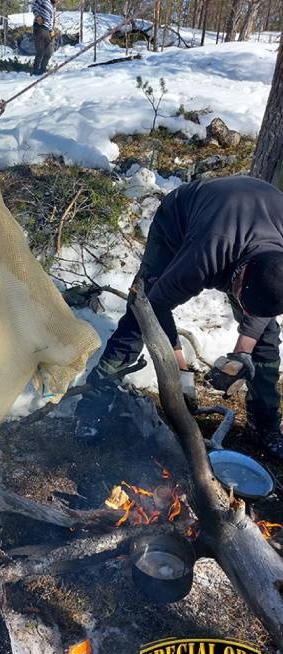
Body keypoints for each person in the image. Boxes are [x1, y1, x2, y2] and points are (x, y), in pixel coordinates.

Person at [75, 175, 283, 458]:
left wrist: (242, 353)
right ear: (238, 274)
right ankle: (91, 407)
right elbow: (153, 307)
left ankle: (264, 424)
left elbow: (261, 308)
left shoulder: (276, 269)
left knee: (266, 336)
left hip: (259, 217)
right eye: (240, 301)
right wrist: (179, 368)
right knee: (140, 312)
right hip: (179, 221)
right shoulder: (207, 255)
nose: (244, 312)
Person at [31, 0, 56, 75]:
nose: (58, 1)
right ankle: (35, 70)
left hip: (47, 30)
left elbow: (50, 21)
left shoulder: (51, 7)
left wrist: (51, 31)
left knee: (49, 52)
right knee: (40, 51)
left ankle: (42, 69)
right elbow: (34, 6)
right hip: (39, 27)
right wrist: (38, 16)